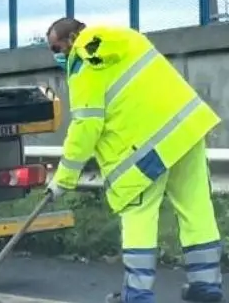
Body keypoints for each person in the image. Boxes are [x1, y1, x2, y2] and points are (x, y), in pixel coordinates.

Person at [45, 17, 223, 303]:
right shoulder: (127, 38)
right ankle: (206, 285)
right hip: (185, 130)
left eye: (57, 47)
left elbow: (87, 125)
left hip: (143, 153)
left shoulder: (82, 60)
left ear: (74, 36)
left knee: (139, 217)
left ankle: (137, 296)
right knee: (196, 209)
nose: (57, 55)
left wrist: (63, 178)